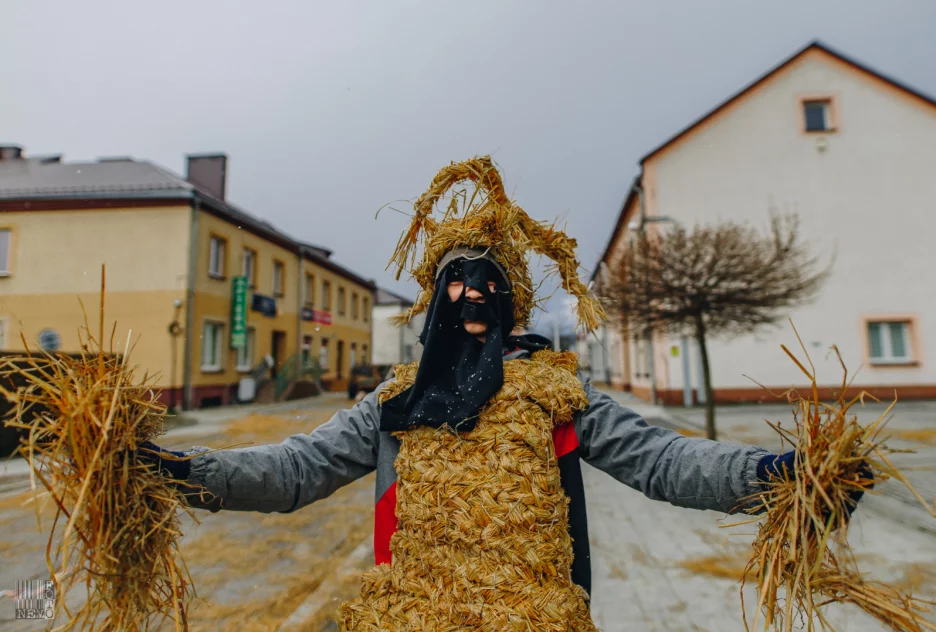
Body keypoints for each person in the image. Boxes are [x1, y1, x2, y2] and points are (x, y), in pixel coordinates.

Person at [141, 157, 864, 630]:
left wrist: (773, 478)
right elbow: (294, 471)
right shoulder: (397, 404)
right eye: (456, 283)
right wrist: (182, 475)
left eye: (489, 287)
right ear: (432, 302)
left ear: (511, 304)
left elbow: (663, 461)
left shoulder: (553, 393)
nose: (471, 299)